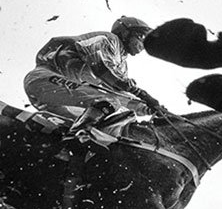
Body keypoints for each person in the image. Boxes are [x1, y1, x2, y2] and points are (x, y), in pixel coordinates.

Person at [23, 16, 167, 138]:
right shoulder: (109, 39)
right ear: (125, 33)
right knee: (108, 103)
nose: (143, 45)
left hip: (61, 99)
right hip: (45, 79)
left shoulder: (122, 65)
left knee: (117, 123)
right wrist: (140, 93)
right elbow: (99, 68)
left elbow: (121, 95)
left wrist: (149, 109)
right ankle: (77, 138)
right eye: (141, 37)